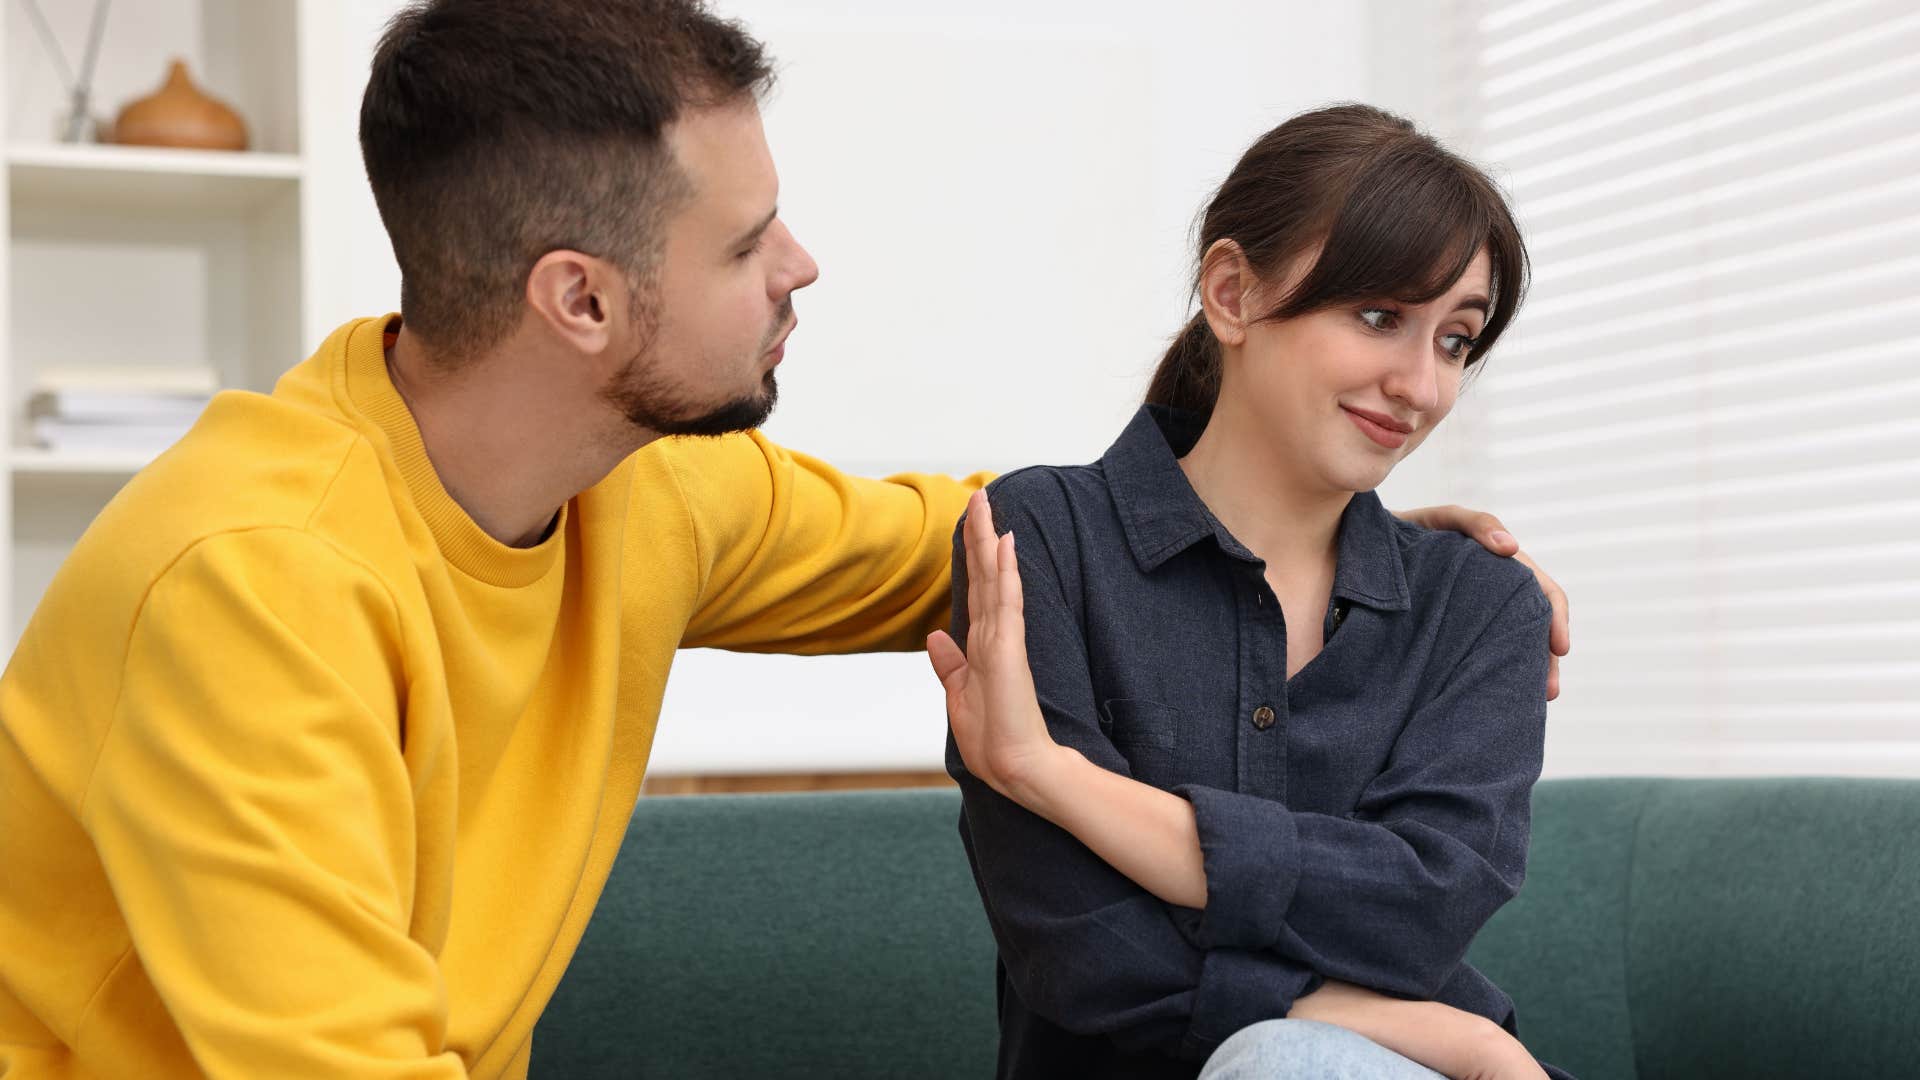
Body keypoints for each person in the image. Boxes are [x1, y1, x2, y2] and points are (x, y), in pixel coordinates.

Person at [0, 4, 1568, 1076]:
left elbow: (1027, 544)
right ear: (582, 299)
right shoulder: (255, 587)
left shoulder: (651, 489)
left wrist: (1339, 535)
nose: (802, 265)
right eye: (749, 245)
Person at [930, 105, 1575, 1079]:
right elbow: (1084, 953)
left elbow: (1424, 915)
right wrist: (1444, 1034)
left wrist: (1056, 777)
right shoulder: (1040, 543)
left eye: (1455, 339)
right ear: (1232, 293)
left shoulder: (1480, 607)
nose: (1422, 386)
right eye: (1379, 317)